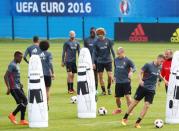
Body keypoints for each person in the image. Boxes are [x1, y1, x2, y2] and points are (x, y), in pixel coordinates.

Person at [121, 54, 165, 128]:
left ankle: (137, 123)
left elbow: (158, 74)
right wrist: (140, 80)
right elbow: (140, 72)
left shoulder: (160, 67)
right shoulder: (148, 65)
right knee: (134, 103)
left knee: (147, 106)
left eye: (163, 62)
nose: (162, 63)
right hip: (143, 87)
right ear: (157, 59)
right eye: (161, 61)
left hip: (151, 90)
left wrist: (164, 80)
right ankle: (125, 118)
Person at [4, 51, 28, 125]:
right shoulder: (12, 65)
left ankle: (22, 120)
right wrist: (8, 87)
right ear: (15, 57)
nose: (21, 59)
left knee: (23, 102)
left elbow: (14, 76)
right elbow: (5, 76)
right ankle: (12, 115)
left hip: (18, 86)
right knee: (25, 101)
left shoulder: (16, 64)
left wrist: (20, 83)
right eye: (20, 57)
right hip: (14, 88)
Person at [112, 47, 136, 115]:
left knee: (128, 97)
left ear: (123, 52)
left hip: (126, 82)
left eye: (119, 54)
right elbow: (116, 68)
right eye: (117, 54)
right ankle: (119, 109)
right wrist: (114, 76)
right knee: (117, 98)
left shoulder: (128, 60)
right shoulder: (116, 60)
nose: (118, 55)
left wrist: (131, 72)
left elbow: (134, 67)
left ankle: (130, 111)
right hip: (118, 82)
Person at [92, 28, 115, 95]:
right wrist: (93, 62)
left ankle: (109, 88)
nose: (99, 36)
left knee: (110, 76)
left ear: (104, 34)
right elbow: (94, 53)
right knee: (100, 77)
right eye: (98, 34)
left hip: (108, 61)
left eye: (101, 34)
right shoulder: (96, 42)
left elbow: (112, 50)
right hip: (100, 62)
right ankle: (103, 91)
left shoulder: (109, 41)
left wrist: (114, 58)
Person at [39, 40, 55, 107]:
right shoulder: (49, 54)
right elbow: (50, 63)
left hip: (39, 75)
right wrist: (53, 72)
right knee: (47, 90)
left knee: (40, 90)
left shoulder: (37, 54)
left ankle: (40, 104)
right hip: (47, 74)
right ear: (48, 46)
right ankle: (46, 105)